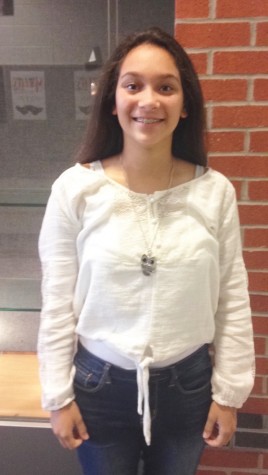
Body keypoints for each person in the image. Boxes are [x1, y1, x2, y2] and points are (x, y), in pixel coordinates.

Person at [38, 27, 255, 475]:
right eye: (133, 85)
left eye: (166, 87)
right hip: (98, 390)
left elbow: (232, 299)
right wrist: (58, 397)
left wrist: (229, 394)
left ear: (185, 102)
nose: (149, 101)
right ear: (113, 100)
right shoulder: (76, 190)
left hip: (188, 388)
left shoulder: (215, 193)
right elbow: (58, 303)